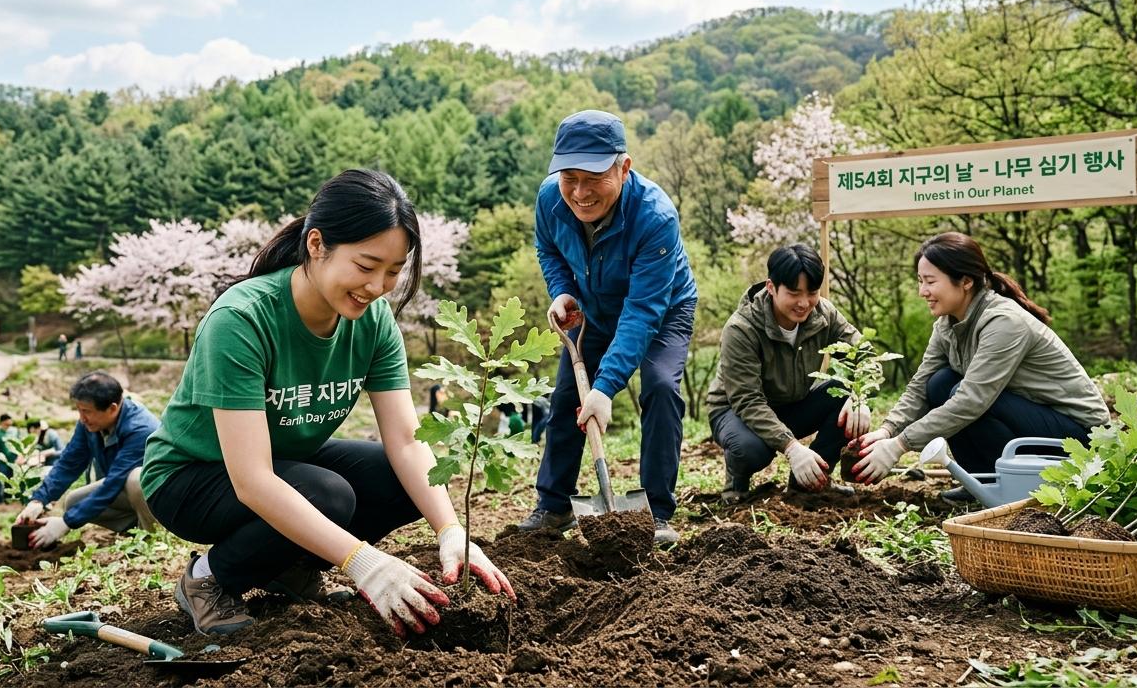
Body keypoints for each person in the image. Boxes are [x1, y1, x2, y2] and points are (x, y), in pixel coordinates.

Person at [140, 169, 515, 638]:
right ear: (317, 245)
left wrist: (450, 530)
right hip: (191, 476)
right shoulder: (242, 319)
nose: (378, 286)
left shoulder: (373, 320)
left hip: (285, 459)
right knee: (328, 494)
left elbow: (405, 439)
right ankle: (210, 578)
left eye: (394, 271)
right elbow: (253, 481)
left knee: (399, 479)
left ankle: (287, 567)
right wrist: (364, 562)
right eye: (365, 266)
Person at [517, 110, 697, 545]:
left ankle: (656, 512)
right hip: (593, 310)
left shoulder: (655, 217)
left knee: (659, 387)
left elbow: (642, 311)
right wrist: (562, 291)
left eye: (594, 178)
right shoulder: (549, 199)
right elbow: (548, 249)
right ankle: (553, 505)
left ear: (624, 167)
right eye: (569, 178)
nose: (579, 192)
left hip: (662, 310)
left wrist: (605, 387)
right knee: (564, 400)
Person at [852, 232, 1109, 502]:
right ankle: (980, 480)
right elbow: (920, 386)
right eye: (920, 281)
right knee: (939, 383)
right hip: (1030, 415)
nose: (922, 291)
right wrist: (887, 431)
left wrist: (900, 445)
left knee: (963, 395)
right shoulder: (946, 325)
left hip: (1080, 436)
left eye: (930, 281)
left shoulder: (1004, 322)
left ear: (965, 281)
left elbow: (972, 400)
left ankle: (1004, 485)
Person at [706, 244, 870, 503]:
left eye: (812, 292)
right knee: (750, 450)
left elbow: (864, 356)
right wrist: (792, 448)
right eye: (794, 293)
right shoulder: (741, 329)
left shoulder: (824, 314)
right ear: (771, 287)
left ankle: (813, 479)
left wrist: (859, 396)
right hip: (737, 412)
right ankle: (737, 479)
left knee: (843, 398)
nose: (804, 303)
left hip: (792, 404)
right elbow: (747, 400)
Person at [15, 372, 159, 548]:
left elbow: (113, 482)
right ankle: (133, 530)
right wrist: (39, 500)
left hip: (162, 496)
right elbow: (69, 463)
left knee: (136, 479)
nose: (82, 418)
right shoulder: (90, 425)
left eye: (87, 411)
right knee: (73, 501)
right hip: (128, 491)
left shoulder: (140, 428)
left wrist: (66, 523)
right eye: (79, 410)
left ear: (112, 408)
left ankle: (154, 539)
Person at [0, 414, 18, 506]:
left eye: (10, 424)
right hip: (1, 462)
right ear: (2, 423)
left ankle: (8, 497)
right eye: (7, 424)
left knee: (10, 480)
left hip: (12, 461)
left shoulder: (14, 432)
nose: (9, 426)